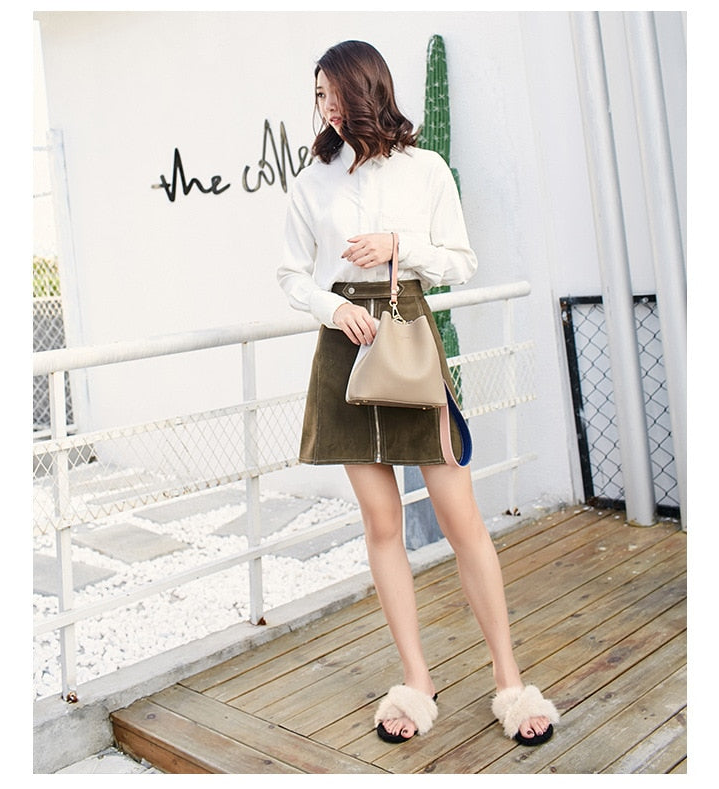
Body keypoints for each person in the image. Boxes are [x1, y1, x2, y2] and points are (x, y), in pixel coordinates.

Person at [277, 40, 559, 747]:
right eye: (319, 96)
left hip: (408, 337)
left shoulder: (426, 168)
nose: (327, 108)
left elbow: (462, 262)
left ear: (369, 89)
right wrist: (329, 307)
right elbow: (290, 274)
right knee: (381, 525)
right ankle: (416, 680)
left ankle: (509, 681)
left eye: (336, 94)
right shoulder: (312, 181)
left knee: (462, 519)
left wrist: (398, 245)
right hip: (345, 346)